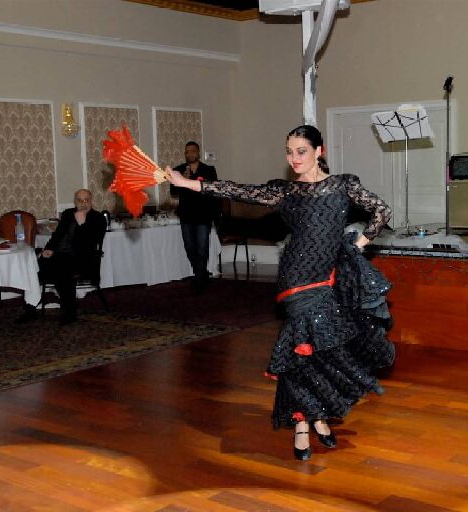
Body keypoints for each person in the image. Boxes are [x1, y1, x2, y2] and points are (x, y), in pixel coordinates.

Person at [166, 125, 395, 460]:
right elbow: (239, 191)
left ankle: (317, 416)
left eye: (301, 151)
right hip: (296, 279)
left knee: (321, 350)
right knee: (301, 348)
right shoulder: (286, 192)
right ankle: (303, 423)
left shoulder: (343, 184)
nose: (294, 158)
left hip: (329, 278)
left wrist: (357, 246)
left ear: (319, 151)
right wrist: (187, 183)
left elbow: (382, 211)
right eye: (289, 152)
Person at [31, 189, 107, 325]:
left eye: (86, 200)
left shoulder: (98, 218)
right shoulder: (67, 214)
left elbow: (89, 244)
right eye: (80, 200)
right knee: (32, 266)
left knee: (61, 268)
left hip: (82, 259)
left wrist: (82, 224)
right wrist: (49, 249)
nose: (83, 203)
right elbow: (57, 235)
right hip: (59, 255)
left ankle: (70, 312)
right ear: (75, 202)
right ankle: (29, 309)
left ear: (91, 201)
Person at [169, 141, 219, 292]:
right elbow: (173, 192)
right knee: (190, 247)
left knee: (202, 248)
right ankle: (201, 274)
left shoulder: (208, 170)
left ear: (198, 152)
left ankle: (199, 280)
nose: (189, 154)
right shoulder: (178, 170)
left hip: (203, 215)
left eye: (192, 151)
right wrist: (182, 181)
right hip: (186, 215)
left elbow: (213, 190)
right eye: (187, 152)